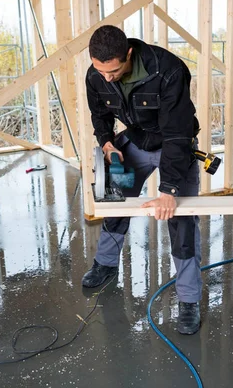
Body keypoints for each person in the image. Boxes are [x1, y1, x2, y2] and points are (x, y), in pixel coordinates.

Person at [82, 25, 202, 335]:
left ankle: (188, 299)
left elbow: (178, 132)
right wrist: (108, 144)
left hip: (174, 146)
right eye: (100, 69)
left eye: (114, 70)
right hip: (136, 141)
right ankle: (106, 265)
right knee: (112, 198)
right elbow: (100, 115)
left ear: (129, 55)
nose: (106, 77)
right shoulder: (96, 74)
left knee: (180, 218)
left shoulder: (168, 70)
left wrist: (169, 190)